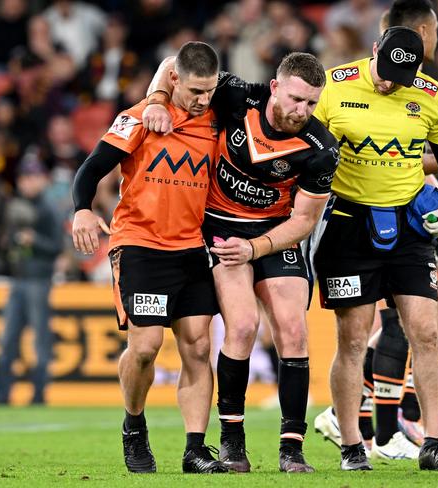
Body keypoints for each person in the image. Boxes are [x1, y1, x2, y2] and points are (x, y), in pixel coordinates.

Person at [143, 52, 339, 473]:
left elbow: (304, 221)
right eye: (295, 99)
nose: (301, 111)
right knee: (244, 325)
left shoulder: (321, 149)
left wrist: (257, 248)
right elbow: (171, 62)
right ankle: (233, 443)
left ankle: (292, 449)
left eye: (310, 104)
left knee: (292, 329)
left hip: (274, 235)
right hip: (220, 228)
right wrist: (157, 100)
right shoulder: (236, 95)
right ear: (274, 87)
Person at [314, 0, 438, 462]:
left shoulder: (429, 92)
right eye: (386, 72)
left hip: (409, 227)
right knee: (352, 339)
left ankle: (431, 442)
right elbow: (305, 146)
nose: (392, 83)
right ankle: (353, 443)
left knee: (426, 332)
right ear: (375, 49)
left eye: (402, 77)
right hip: (350, 225)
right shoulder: (335, 86)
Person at [71, 41, 228, 474]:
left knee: (198, 345)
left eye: (209, 91)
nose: (203, 100)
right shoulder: (141, 117)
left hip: (192, 248)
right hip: (140, 245)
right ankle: (134, 427)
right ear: (174, 80)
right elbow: (92, 167)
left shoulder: (215, 120)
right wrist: (83, 209)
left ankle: (195, 449)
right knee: (145, 348)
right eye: (196, 91)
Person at [0, 152, 63, 405]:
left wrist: (34, 239)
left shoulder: (49, 208)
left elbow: (56, 246)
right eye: (24, 177)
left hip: (39, 280)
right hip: (18, 278)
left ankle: (39, 395)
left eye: (33, 177)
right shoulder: (17, 205)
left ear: (42, 179)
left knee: (40, 342)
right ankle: (2, 396)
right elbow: (8, 242)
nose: (28, 182)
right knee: (7, 338)